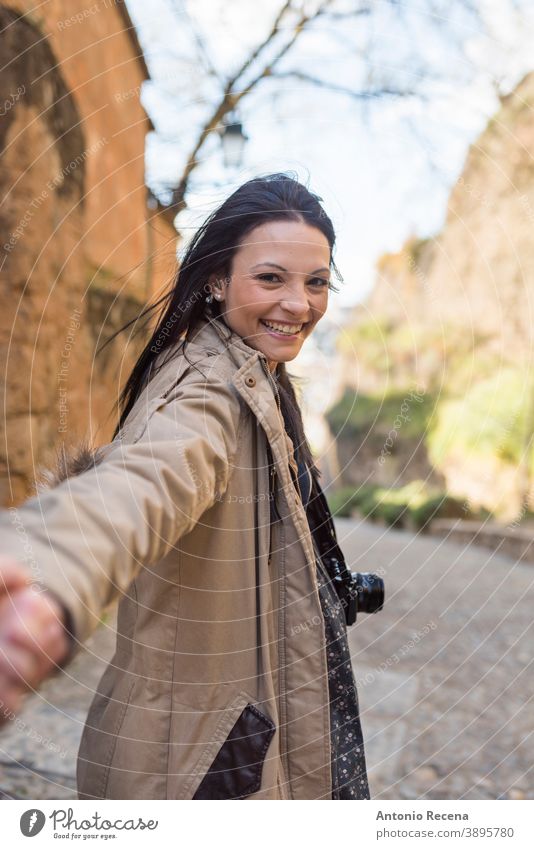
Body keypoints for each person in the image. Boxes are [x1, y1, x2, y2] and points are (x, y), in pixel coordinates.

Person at [0, 173, 370, 800]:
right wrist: (44, 577)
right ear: (218, 280)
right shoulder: (205, 393)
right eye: (271, 278)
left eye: (316, 282)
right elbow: (147, 481)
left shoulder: (252, 370)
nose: (300, 305)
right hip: (197, 768)